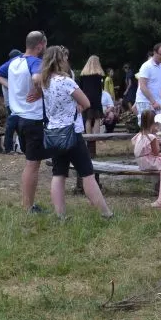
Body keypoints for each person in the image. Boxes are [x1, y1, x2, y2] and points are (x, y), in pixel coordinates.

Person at [35, 46, 112, 220]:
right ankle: (105, 213)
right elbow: (86, 103)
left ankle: (61, 215)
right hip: (71, 132)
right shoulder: (66, 81)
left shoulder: (45, 82)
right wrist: (76, 106)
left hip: (53, 132)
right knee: (87, 173)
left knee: (58, 174)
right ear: (61, 60)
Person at [0, 31, 49, 212]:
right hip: (32, 118)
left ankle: (28, 204)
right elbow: (36, 78)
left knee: (30, 162)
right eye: (45, 46)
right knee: (32, 164)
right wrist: (39, 90)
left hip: (17, 117)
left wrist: (13, 87)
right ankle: (28, 206)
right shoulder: (36, 62)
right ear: (40, 45)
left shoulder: (14, 61)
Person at [0, 49, 23, 154]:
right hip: (11, 104)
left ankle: (19, 147)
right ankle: (8, 148)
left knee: (18, 127)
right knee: (11, 126)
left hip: (16, 104)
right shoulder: (5, 76)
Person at [135, 44, 161, 116]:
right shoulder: (146, 66)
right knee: (147, 126)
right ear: (155, 53)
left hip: (157, 101)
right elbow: (143, 86)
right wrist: (153, 102)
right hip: (144, 101)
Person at [78, 55, 106, 134]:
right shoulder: (98, 76)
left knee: (88, 119)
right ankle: (96, 138)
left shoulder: (83, 75)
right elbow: (100, 90)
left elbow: (81, 88)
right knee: (97, 119)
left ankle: (88, 138)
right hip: (96, 99)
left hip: (86, 99)